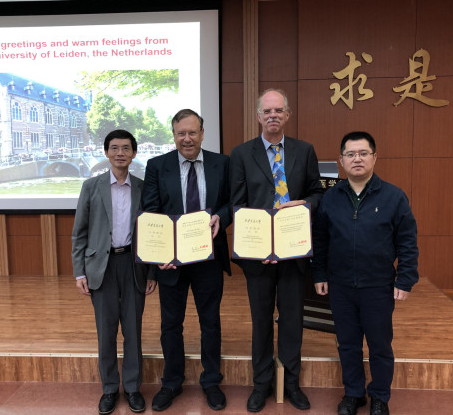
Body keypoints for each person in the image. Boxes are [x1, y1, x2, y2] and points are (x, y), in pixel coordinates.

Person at [311, 131, 419, 415]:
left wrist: (405, 279)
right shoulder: (331, 198)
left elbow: (407, 242)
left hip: (378, 286)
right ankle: (354, 393)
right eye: (350, 154)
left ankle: (380, 396)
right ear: (341, 161)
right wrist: (319, 274)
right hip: (340, 286)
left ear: (374, 157)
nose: (356, 159)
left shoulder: (394, 197)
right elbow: (320, 240)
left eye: (363, 153)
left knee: (379, 345)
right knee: (348, 344)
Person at [230, 88, 323, 412]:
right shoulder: (241, 154)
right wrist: (257, 244)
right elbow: (238, 204)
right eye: (267, 111)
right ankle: (261, 384)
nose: (273, 115)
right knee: (261, 323)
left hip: (294, 252)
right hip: (258, 256)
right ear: (259, 116)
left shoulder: (304, 150)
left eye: (278, 110)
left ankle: (291, 384)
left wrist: (304, 204)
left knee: (292, 322)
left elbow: (317, 193)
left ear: (287, 115)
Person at [140, 109, 232, 412]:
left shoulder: (222, 163)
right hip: (171, 261)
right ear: (174, 135)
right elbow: (150, 210)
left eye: (192, 132)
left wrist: (221, 217)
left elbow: (232, 202)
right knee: (170, 324)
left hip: (208, 258)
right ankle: (171, 382)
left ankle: (211, 381)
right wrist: (158, 255)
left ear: (202, 133)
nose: (187, 139)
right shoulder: (157, 166)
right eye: (181, 133)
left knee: (210, 322)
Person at [71, 129, 157, 415]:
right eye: (115, 148)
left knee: (133, 331)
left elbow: (152, 233)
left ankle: (132, 389)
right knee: (106, 332)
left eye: (126, 148)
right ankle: (109, 389)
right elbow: (79, 233)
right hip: (101, 267)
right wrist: (79, 272)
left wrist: (152, 273)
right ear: (106, 152)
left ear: (134, 153)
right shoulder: (91, 186)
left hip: (134, 265)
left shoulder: (143, 188)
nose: (120, 153)